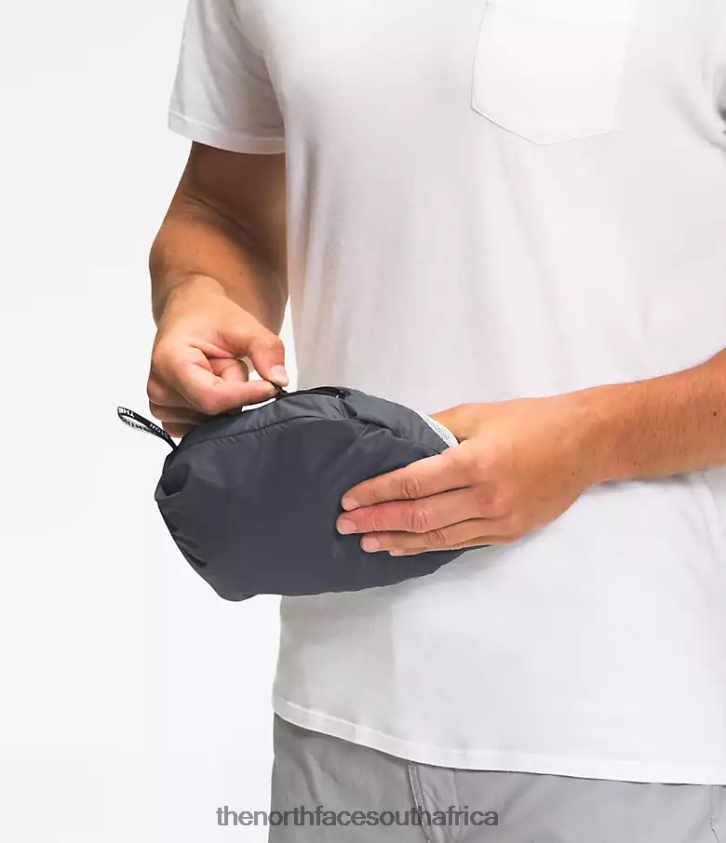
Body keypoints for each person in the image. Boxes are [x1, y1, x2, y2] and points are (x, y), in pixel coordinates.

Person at [147, 1, 726, 840]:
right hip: (334, 714)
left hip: (629, 727)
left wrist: (592, 439)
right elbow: (222, 205)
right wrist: (198, 295)